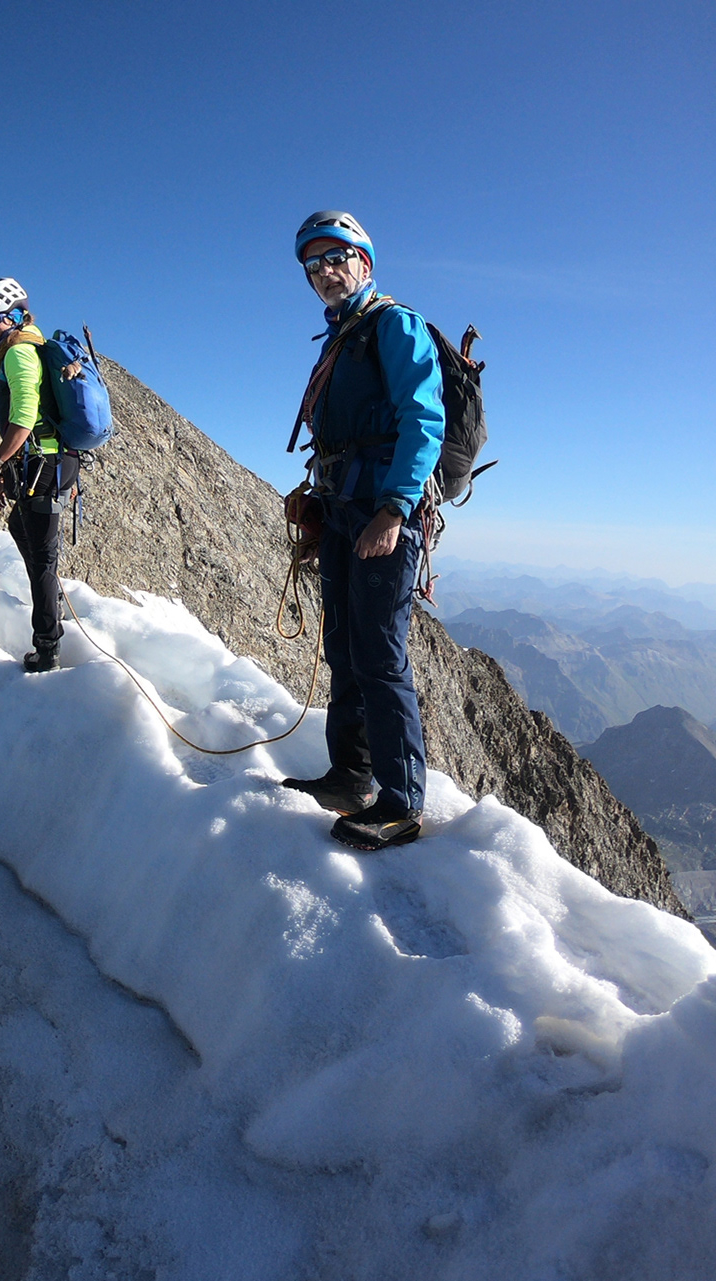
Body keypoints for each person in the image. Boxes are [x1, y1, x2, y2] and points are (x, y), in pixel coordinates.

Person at [280, 212, 445, 852]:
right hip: (345, 508)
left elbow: (421, 419)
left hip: (382, 514)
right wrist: (320, 498)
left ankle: (402, 803)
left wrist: (396, 508)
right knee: (345, 643)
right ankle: (350, 775)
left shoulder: (391, 325)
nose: (324, 271)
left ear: (365, 261)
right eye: (312, 265)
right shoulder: (341, 337)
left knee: (380, 653)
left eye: (336, 257)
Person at [0, 278, 79, 672]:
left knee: (43, 558)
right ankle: (53, 610)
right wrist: (5, 479)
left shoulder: (18, 354)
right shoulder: (27, 346)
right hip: (44, 463)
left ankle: (47, 648)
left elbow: (22, 420)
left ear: (14, 315)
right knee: (23, 528)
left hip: (43, 465)